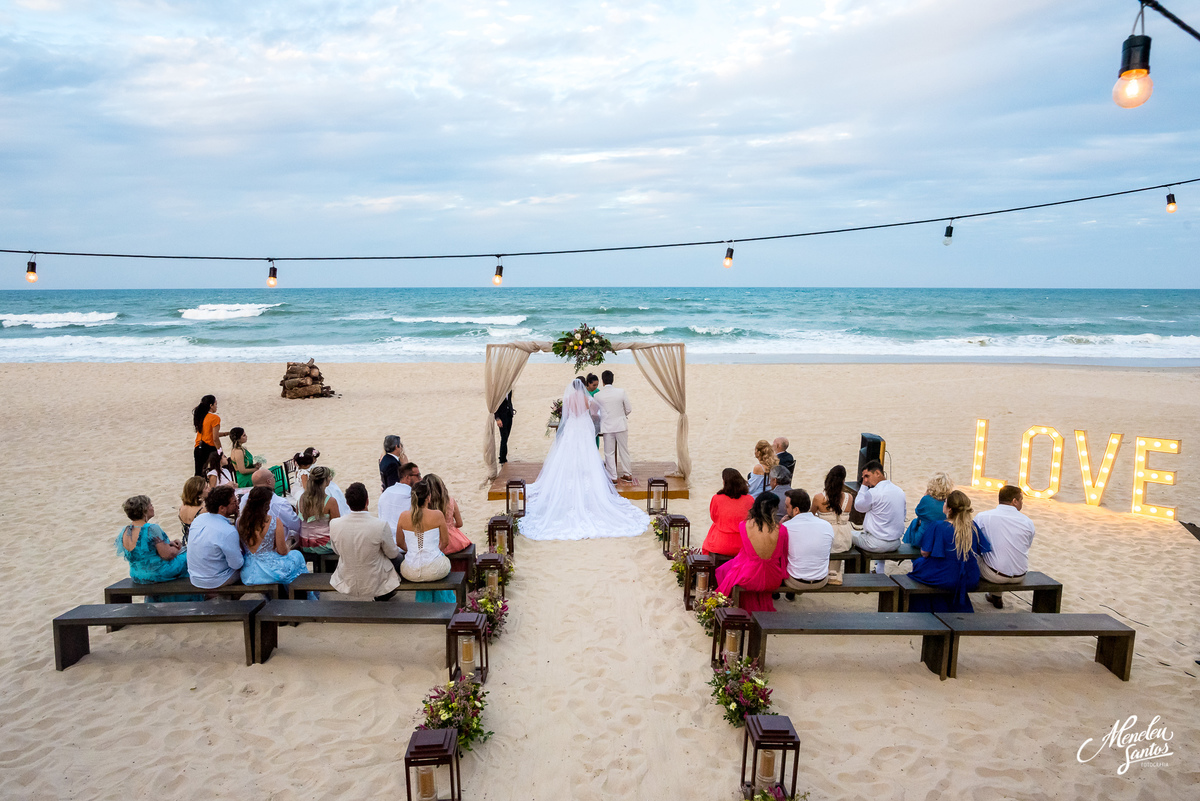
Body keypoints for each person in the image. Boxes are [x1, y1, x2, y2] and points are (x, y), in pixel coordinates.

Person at [520, 378, 650, 541]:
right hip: (583, 427)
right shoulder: (587, 399)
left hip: (572, 428)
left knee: (569, 453)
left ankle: (571, 475)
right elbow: (595, 413)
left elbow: (566, 415)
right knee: (587, 453)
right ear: (583, 386)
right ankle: (584, 476)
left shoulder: (568, 399)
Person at [907, 489, 992, 613]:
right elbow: (980, 550)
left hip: (946, 575)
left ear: (949, 509)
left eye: (945, 502)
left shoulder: (939, 526)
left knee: (919, 565)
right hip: (970, 576)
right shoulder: (972, 526)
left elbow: (925, 552)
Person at [715, 493, 789, 613]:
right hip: (773, 578)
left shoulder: (744, 525)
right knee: (735, 567)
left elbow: (745, 553)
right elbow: (783, 557)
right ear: (774, 509)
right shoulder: (781, 529)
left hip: (749, 576)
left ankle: (739, 608)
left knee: (725, 570)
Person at [329, 482, 403, 600]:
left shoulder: (335, 524)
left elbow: (337, 551)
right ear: (367, 501)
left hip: (347, 577)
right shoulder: (380, 525)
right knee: (399, 558)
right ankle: (386, 593)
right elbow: (392, 553)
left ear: (347, 503)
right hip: (374, 580)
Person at [115, 495, 191, 600]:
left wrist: (169, 543)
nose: (152, 507)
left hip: (137, 575)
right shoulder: (151, 529)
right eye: (150, 505)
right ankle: (189, 598)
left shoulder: (125, 530)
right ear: (144, 509)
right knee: (189, 557)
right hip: (157, 573)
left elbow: (145, 549)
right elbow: (168, 555)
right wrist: (178, 548)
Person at [974, 486, 1037, 608]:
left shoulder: (983, 517)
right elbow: (1027, 545)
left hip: (994, 574)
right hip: (1020, 574)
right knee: (1003, 555)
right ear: (1014, 501)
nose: (1022, 503)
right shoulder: (1027, 522)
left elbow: (974, 541)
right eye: (1021, 500)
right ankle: (996, 596)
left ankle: (994, 595)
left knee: (977, 556)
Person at [395, 479, 454, 602]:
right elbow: (445, 542)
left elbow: (399, 543)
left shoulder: (403, 516)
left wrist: (411, 550)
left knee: (432, 563)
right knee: (441, 560)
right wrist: (435, 551)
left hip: (410, 571)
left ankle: (425, 603)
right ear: (428, 497)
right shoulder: (437, 515)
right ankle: (442, 603)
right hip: (434, 569)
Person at [237, 486, 309, 586]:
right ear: (267, 504)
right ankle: (300, 593)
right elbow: (282, 551)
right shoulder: (274, 521)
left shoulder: (239, 522)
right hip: (270, 571)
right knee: (297, 555)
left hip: (248, 572)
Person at [851, 460, 906, 575]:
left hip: (876, 544)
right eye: (863, 477)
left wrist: (863, 486)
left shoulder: (874, 492)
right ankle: (879, 570)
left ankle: (856, 574)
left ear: (877, 473)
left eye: (867, 476)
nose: (865, 480)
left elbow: (858, 506)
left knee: (848, 535)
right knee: (880, 529)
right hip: (895, 542)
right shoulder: (899, 491)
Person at [186, 485, 244, 589]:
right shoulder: (228, 531)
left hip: (195, 577)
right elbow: (237, 565)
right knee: (250, 567)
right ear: (221, 508)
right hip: (215, 580)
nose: (237, 503)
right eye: (234, 502)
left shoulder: (199, 519)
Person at [780, 488, 835, 593]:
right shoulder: (826, 525)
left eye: (787, 506)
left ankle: (783, 595)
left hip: (796, 581)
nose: (785, 509)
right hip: (821, 580)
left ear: (796, 510)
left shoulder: (786, 527)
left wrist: (781, 523)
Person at [810, 465, 855, 585]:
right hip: (844, 539)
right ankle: (834, 572)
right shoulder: (849, 497)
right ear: (843, 481)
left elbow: (810, 515)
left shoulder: (819, 498)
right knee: (838, 541)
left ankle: (823, 572)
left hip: (827, 537)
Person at [703, 468, 755, 557]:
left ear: (725, 483)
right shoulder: (750, 499)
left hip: (721, 544)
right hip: (742, 543)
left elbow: (714, 517)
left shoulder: (717, 498)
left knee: (714, 527)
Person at [239, 468, 302, 541]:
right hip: (276, 543)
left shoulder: (244, 498)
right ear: (269, 481)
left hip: (251, 541)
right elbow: (295, 525)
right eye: (273, 477)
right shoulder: (279, 502)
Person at [594, 370, 633, 482]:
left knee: (609, 452)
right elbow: (629, 409)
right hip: (621, 425)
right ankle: (628, 473)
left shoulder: (597, 395)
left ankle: (613, 476)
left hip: (607, 426)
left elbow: (596, 412)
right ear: (613, 379)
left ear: (602, 381)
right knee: (624, 450)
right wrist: (621, 415)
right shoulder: (621, 392)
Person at [297, 465, 341, 556]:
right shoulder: (330, 501)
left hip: (304, 543)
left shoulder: (301, 498)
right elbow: (336, 526)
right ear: (325, 481)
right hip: (323, 545)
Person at [424, 473, 473, 554]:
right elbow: (460, 523)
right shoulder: (450, 500)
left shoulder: (425, 504)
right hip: (454, 540)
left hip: (434, 540)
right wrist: (450, 525)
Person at [903, 473, 953, 546]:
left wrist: (925, 495)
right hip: (941, 538)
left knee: (914, 523)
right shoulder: (949, 502)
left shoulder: (927, 499)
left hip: (924, 538)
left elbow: (918, 511)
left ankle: (906, 546)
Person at [379, 462, 421, 536]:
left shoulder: (386, 493)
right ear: (407, 478)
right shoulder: (411, 495)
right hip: (404, 542)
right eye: (418, 475)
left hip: (386, 540)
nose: (420, 479)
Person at [191, 395, 228, 476]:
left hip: (198, 447)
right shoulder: (214, 418)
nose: (216, 407)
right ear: (211, 405)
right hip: (209, 448)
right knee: (215, 472)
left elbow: (208, 434)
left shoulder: (201, 416)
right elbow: (215, 438)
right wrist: (220, 451)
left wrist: (225, 434)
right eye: (215, 404)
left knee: (199, 474)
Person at [178, 476, 208, 546]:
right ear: (199, 494)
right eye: (206, 488)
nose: (208, 489)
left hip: (187, 541)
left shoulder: (182, 507)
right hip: (200, 543)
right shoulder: (203, 510)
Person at [494, 391, 515, 465]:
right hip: (502, 417)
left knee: (506, 437)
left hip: (509, 415)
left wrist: (511, 410)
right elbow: (495, 406)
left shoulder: (509, 389)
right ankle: (502, 458)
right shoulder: (499, 390)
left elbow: (509, 401)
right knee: (504, 436)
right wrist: (497, 418)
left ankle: (503, 456)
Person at [585, 374, 602, 447]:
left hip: (595, 419)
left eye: (597, 385)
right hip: (586, 418)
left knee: (595, 438)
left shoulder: (598, 391)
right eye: (594, 385)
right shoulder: (584, 392)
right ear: (588, 383)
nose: (596, 387)